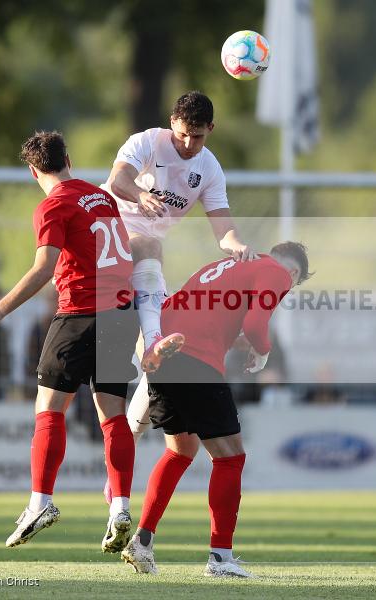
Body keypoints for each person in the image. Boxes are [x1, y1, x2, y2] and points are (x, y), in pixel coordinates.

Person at [0, 131, 140, 555]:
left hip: (81, 312)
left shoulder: (53, 204)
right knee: (112, 414)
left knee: (48, 408)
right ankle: (119, 508)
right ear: (70, 159)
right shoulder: (102, 198)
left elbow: (44, 266)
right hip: (121, 315)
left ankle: (39, 503)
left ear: (33, 172)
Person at [120, 242, 312, 578]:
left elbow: (205, 315)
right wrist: (263, 351)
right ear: (293, 274)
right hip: (195, 360)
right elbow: (255, 326)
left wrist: (237, 341)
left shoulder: (224, 266)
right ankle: (220, 558)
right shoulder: (277, 272)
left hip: (164, 352)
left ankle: (142, 541)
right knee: (231, 457)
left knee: (181, 450)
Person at [100, 91, 256, 440]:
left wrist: (236, 244)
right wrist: (140, 195)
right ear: (172, 123)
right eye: (183, 133)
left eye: (197, 135)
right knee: (151, 243)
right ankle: (154, 337)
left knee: (161, 367)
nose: (188, 142)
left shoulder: (209, 168)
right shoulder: (147, 142)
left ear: (210, 129)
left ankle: (125, 446)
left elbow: (223, 227)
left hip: (144, 261)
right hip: (108, 236)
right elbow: (117, 181)